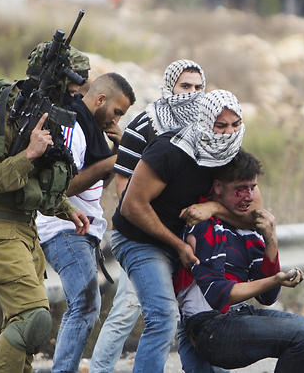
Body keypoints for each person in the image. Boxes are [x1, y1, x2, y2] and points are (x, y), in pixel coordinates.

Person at [0, 43, 90, 372]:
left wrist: (64, 208)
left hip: (24, 229)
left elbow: (34, 184)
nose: (74, 98)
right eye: (71, 90)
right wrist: (28, 153)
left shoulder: (39, 113)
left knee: (24, 329)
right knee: (33, 318)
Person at [179, 149, 304, 372]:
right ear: (218, 187)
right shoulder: (204, 225)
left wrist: (271, 241)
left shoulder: (249, 231)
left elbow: (267, 298)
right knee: (302, 334)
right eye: (240, 190)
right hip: (209, 328)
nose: (248, 196)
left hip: (241, 315)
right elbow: (220, 294)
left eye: (252, 188)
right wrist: (275, 279)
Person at [108, 89, 244, 373]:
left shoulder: (232, 155)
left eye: (235, 125)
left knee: (200, 317)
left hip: (186, 244)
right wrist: (177, 244)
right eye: (220, 126)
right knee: (163, 316)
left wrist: (215, 209)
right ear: (205, 123)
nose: (228, 133)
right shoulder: (171, 151)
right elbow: (131, 206)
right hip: (139, 238)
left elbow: (251, 213)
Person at [90, 59, 206, 373]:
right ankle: (99, 368)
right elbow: (126, 191)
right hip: (144, 236)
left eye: (197, 87)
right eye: (185, 86)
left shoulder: (204, 129)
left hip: (184, 239)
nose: (191, 94)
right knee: (130, 308)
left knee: (188, 313)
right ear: (170, 87)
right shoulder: (145, 126)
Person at [36, 72, 135, 373]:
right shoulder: (75, 128)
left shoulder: (92, 132)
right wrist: (113, 161)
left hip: (82, 229)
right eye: (117, 112)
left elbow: (92, 188)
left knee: (86, 305)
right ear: (101, 99)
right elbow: (64, 187)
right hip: (64, 228)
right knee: (85, 304)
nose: (116, 120)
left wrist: (116, 153)